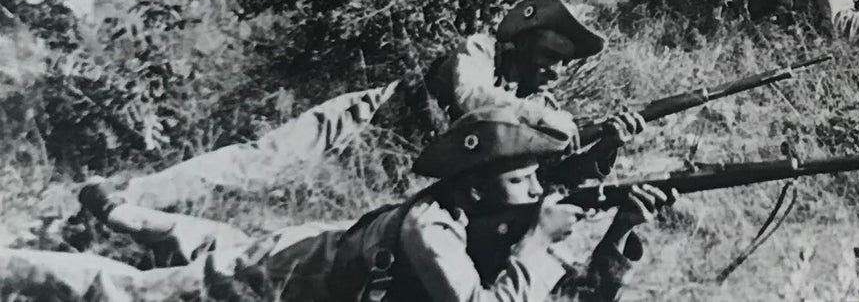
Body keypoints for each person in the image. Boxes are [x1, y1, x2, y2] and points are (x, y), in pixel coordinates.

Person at [0, 103, 675, 301]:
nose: (540, 190)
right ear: (475, 185)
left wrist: (620, 226)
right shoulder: (431, 227)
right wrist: (539, 243)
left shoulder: (480, 206)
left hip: (311, 251)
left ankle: (113, 210)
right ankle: (12, 264)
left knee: (207, 238)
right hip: (277, 283)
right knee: (127, 289)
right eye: (525, 178)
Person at [72, 0, 644, 220]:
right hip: (360, 126)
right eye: (548, 56)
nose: (554, 72)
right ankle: (131, 198)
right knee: (257, 166)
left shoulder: (541, 106)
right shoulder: (479, 52)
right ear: (519, 42)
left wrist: (604, 145)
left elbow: (545, 178)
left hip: (394, 182)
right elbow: (472, 102)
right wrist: (565, 127)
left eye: (564, 65)